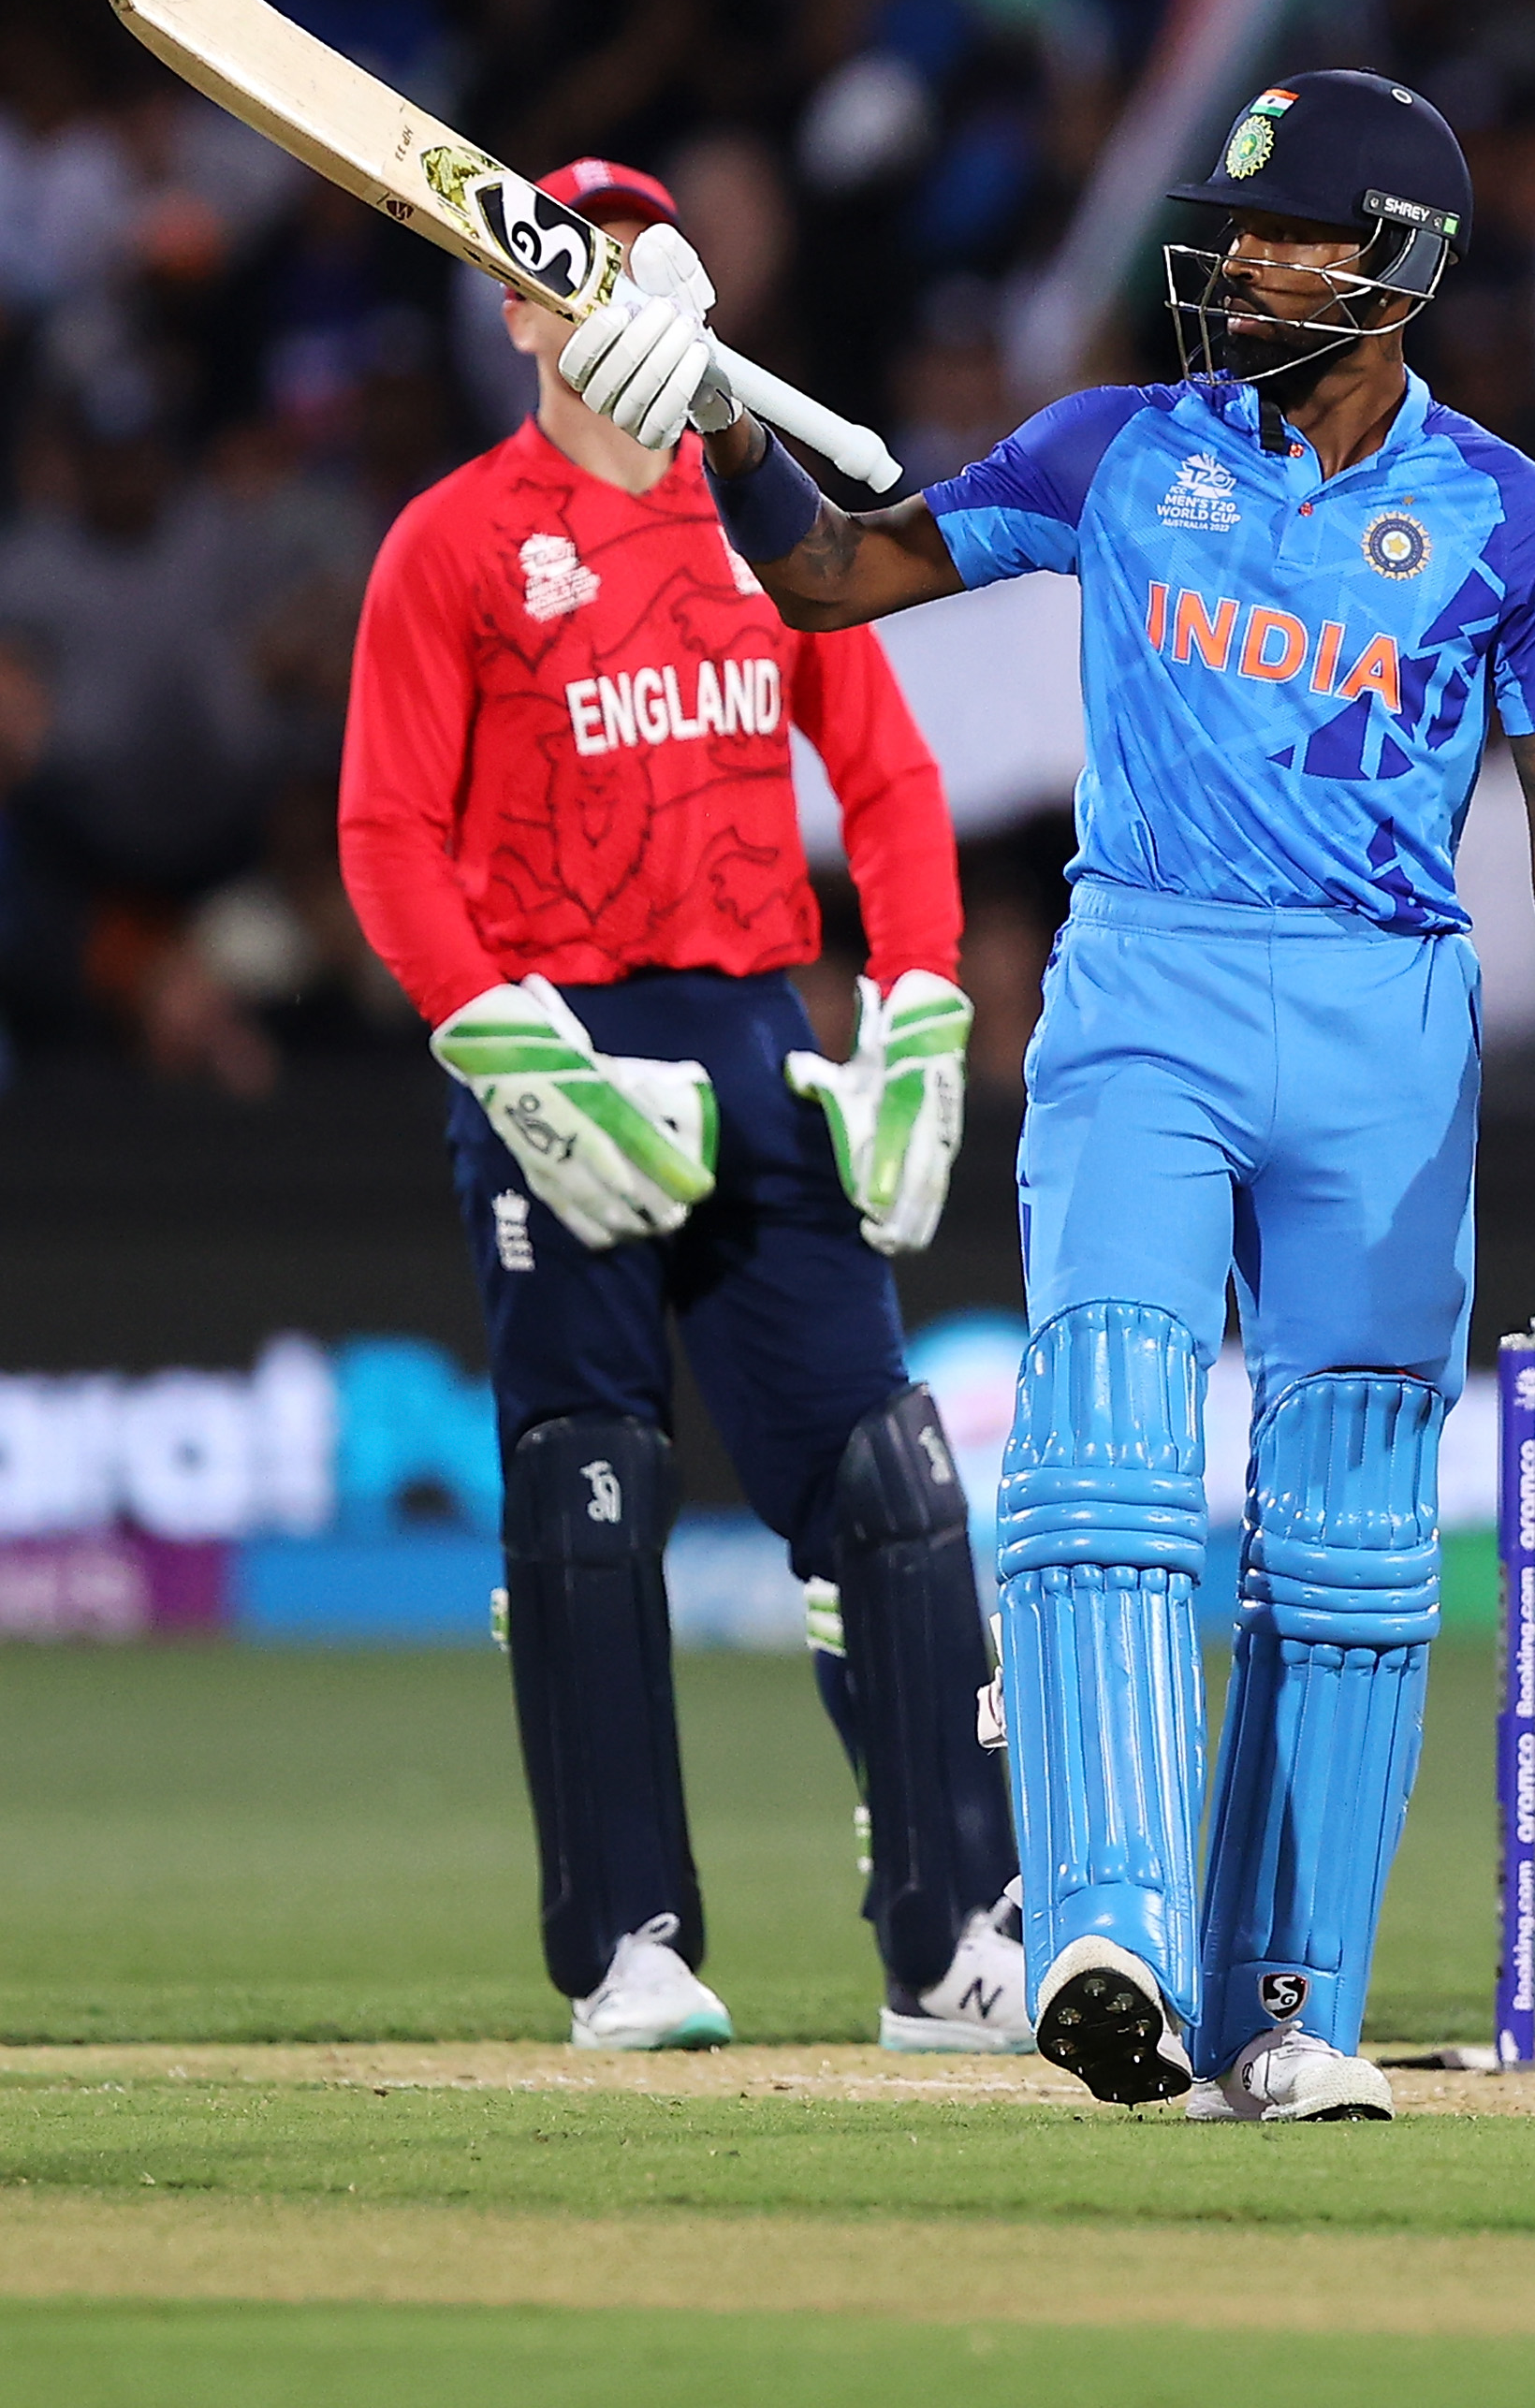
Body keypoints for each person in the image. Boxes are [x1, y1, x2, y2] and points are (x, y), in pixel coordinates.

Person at [557, 71, 1535, 2121]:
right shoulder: (1113, 452)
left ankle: (1292, 2008)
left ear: (1399, 268)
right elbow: (830, 583)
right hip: (1146, 979)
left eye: (1290, 238)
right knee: (1098, 1456)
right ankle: (1104, 1935)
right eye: (1234, 230)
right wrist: (719, 427)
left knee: (1348, 1536)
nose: (1242, 262)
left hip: (1388, 1023)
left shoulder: (1516, 523)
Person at [338, 158, 1024, 2055]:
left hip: (748, 1032)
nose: (616, 293)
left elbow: (885, 781)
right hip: (561, 1039)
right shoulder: (459, 543)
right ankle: (624, 1946)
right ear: (523, 313)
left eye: (651, 259)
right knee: (586, 1487)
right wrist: (502, 1044)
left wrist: (912, 1015)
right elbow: (387, 833)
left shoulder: (761, 524)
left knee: (885, 1486)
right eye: (583, 268)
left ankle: (954, 1935)